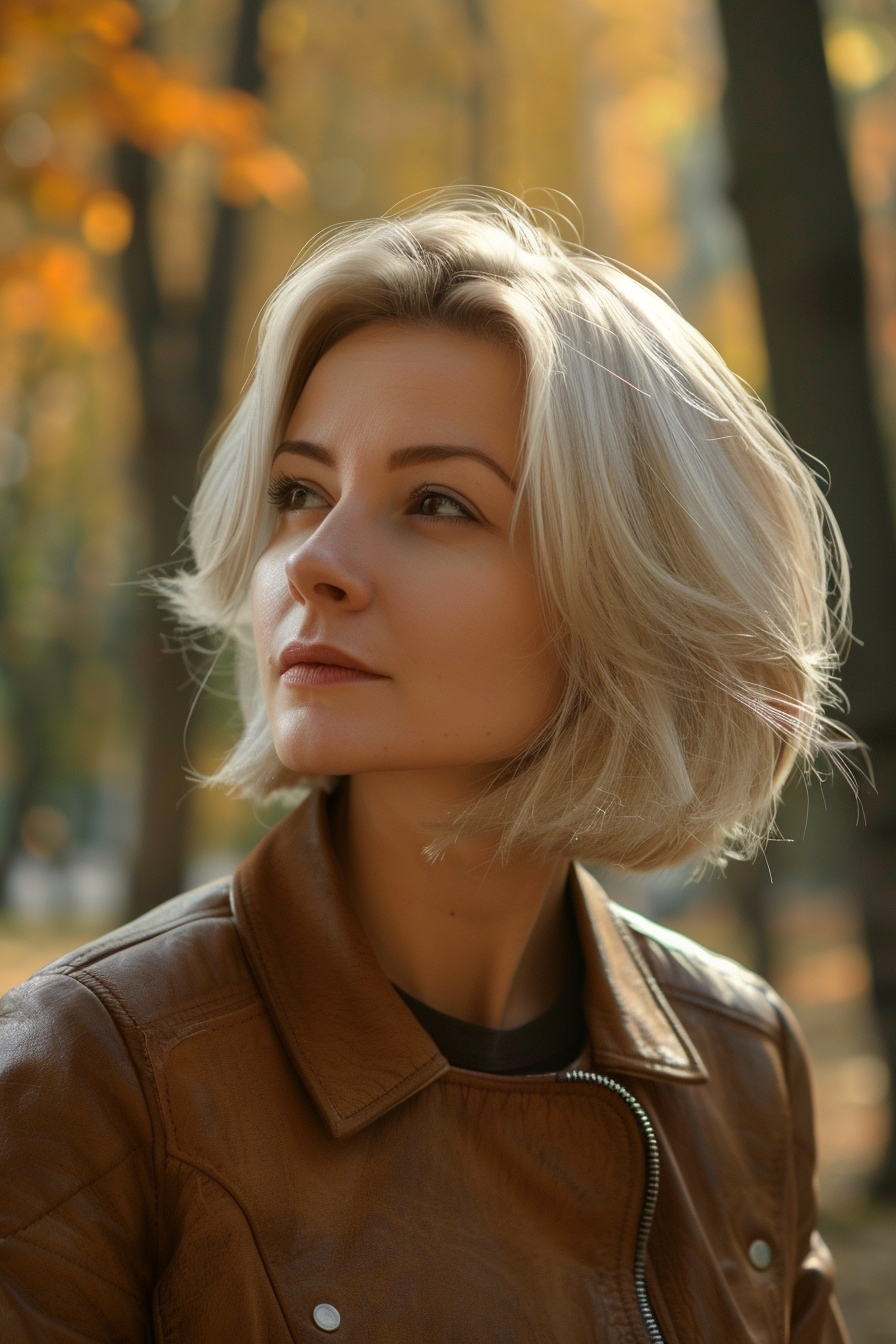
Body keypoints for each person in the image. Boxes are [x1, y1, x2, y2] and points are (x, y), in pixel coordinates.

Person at [0, 192, 853, 1342]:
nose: (316, 564)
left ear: (631, 595)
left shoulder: (741, 1062)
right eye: (299, 492)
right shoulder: (92, 1073)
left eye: (436, 503)